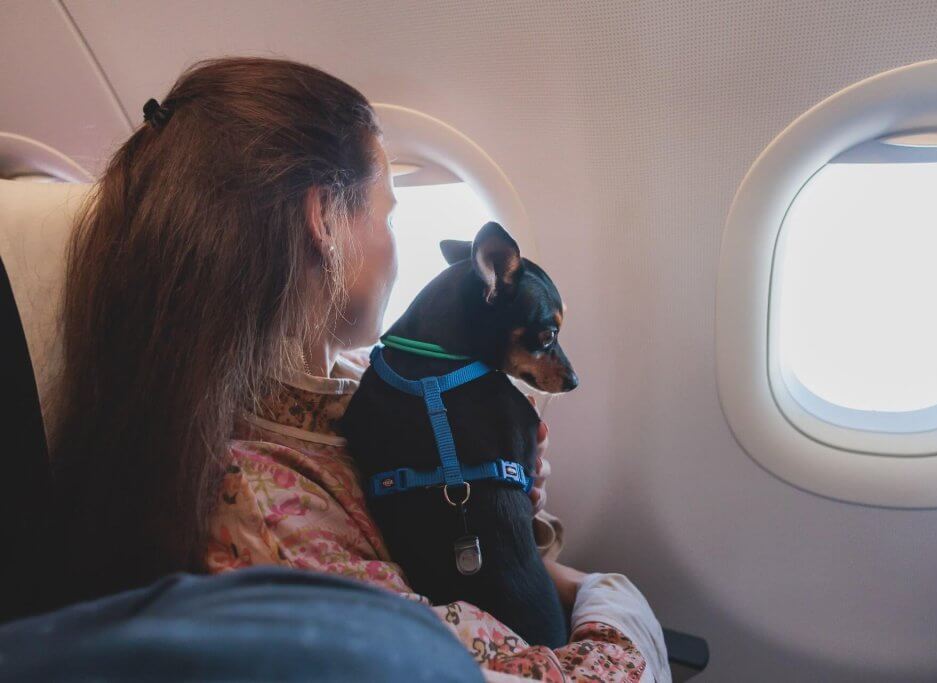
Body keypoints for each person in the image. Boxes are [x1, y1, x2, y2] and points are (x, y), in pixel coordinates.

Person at [50, 56, 669, 681]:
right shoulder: (264, 508)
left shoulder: (358, 385)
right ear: (324, 221)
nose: (396, 238)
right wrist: (613, 596)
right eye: (389, 213)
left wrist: (520, 533)